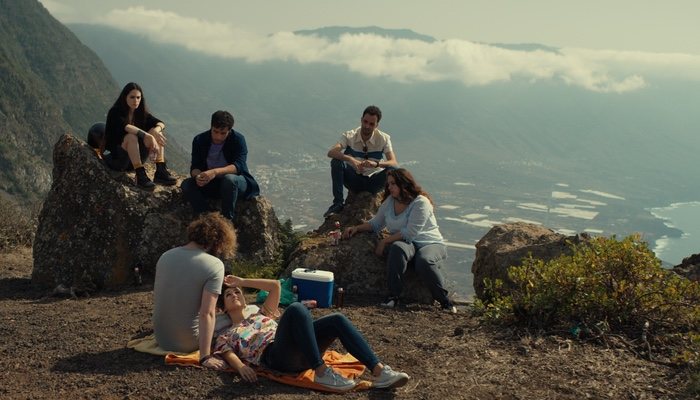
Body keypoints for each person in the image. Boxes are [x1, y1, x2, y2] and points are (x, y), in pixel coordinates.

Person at [209, 277, 410, 392]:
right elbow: (228, 354)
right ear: (222, 308)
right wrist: (241, 367)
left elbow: (274, 286)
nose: (235, 295)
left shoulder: (262, 313)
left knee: (337, 319)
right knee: (296, 309)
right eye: (229, 294)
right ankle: (322, 373)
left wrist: (243, 280)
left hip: (301, 350)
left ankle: (379, 371)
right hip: (276, 357)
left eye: (238, 293)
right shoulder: (227, 333)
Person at [343, 168, 456, 313]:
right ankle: (393, 297)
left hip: (430, 243)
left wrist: (384, 241)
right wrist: (357, 228)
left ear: (404, 184)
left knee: (424, 260)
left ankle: (445, 301)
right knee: (397, 248)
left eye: (393, 184)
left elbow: (410, 232)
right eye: (388, 184)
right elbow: (376, 223)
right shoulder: (390, 201)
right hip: (408, 244)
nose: (389, 187)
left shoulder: (421, 202)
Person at [152, 213, 237, 370]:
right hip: (188, 342)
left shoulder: (165, 256)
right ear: (219, 241)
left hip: (161, 337)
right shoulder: (214, 265)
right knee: (232, 318)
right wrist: (205, 356)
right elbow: (207, 313)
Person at [181, 110, 260, 221]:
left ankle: (226, 221)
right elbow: (195, 167)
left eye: (223, 133)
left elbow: (239, 166)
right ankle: (208, 219)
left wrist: (215, 172)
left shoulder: (238, 140)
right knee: (187, 184)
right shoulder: (200, 140)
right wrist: (199, 176)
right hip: (211, 183)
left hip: (235, 184)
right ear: (211, 127)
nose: (218, 136)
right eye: (215, 131)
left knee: (229, 179)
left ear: (229, 130)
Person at [324, 105, 398, 218]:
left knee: (394, 171)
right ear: (361, 120)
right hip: (354, 179)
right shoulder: (350, 135)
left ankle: (392, 207)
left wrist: (377, 164)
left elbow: (393, 162)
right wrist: (351, 159)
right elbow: (331, 152)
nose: (367, 126)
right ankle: (337, 203)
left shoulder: (383, 139)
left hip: (373, 182)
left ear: (377, 125)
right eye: (365, 121)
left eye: (371, 124)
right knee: (336, 162)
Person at [104, 82, 177, 189]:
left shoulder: (140, 113)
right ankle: (140, 176)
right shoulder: (115, 112)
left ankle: (160, 171)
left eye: (138, 97)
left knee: (157, 132)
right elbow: (126, 126)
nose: (136, 100)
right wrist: (147, 135)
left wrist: (155, 131)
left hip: (133, 161)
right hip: (117, 159)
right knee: (131, 137)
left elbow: (161, 123)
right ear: (125, 97)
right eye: (132, 97)